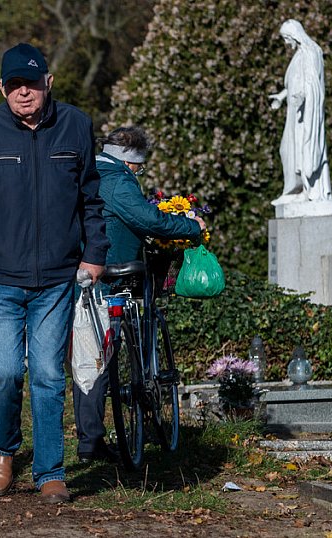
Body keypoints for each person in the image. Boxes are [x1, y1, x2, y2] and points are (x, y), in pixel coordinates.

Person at [0, 43, 108, 504]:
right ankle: (4, 448)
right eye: (14, 85)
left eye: (31, 83)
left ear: (48, 83)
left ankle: (51, 470)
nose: (23, 92)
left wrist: (95, 253)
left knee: (50, 375)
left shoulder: (75, 125)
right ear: (1, 88)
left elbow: (91, 199)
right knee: (7, 374)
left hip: (56, 277)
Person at [73, 126, 205, 463]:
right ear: (130, 162)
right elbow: (148, 219)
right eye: (140, 168)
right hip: (109, 276)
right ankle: (91, 442)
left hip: (91, 273)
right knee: (98, 357)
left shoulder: (90, 172)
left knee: (93, 357)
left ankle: (92, 439)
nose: (140, 173)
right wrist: (192, 227)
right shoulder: (115, 179)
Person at [268, 19, 331, 205]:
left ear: (295, 35)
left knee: (303, 150)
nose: (286, 43)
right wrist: (282, 96)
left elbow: (312, 84)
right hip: (295, 114)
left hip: (306, 115)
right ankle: (294, 190)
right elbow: (295, 81)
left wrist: (303, 95)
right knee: (287, 151)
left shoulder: (311, 52)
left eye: (287, 38)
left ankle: (308, 189)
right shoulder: (298, 55)